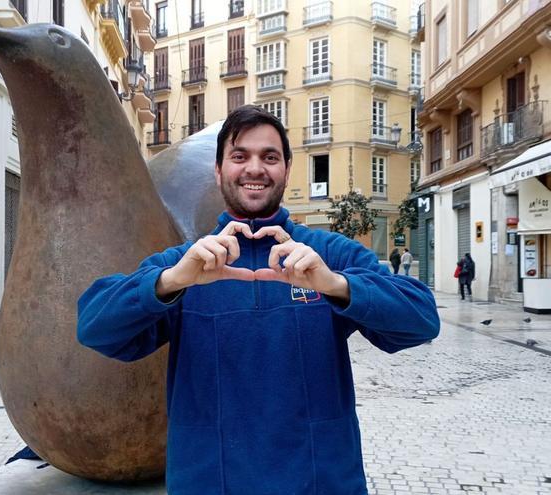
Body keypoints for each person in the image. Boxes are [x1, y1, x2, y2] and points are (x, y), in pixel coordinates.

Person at [76, 105, 440, 494]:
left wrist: (335, 284)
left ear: (286, 169)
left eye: (269, 157)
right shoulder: (186, 263)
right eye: (239, 156)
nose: (254, 168)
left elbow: (421, 319)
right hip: (210, 483)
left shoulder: (328, 254)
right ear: (218, 172)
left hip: (320, 482)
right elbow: (94, 327)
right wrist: (170, 282)